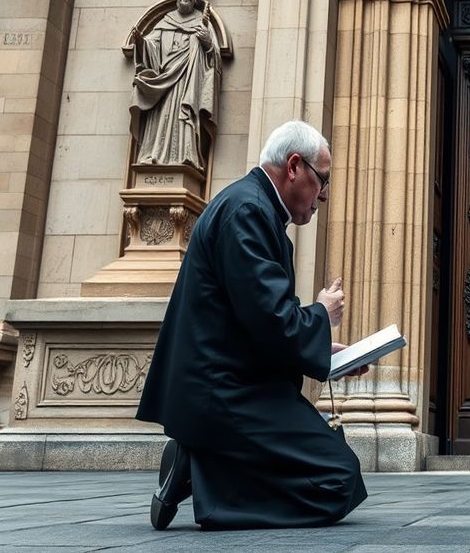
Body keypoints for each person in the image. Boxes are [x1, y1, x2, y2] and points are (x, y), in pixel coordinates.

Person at [136, 121, 369, 529]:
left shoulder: (254, 208)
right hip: (225, 393)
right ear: (294, 167)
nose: (325, 195)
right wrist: (322, 313)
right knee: (337, 479)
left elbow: (255, 319)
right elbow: (272, 320)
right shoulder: (247, 211)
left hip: (241, 384)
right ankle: (203, 467)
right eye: (323, 180)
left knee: (336, 465)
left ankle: (199, 460)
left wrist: (329, 355)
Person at [131, 0, 220, 170]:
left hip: (186, 88)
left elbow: (213, 63)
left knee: (184, 119)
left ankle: (185, 156)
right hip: (163, 91)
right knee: (159, 121)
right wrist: (140, 42)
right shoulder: (165, 22)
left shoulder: (202, 24)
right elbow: (151, 51)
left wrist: (207, 43)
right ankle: (153, 155)